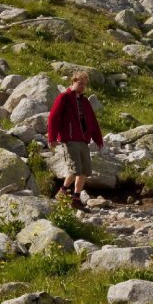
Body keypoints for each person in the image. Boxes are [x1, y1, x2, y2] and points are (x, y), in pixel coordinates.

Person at [45, 71, 103, 211]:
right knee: (75, 169)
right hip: (69, 139)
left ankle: (76, 198)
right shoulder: (64, 97)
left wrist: (98, 139)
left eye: (85, 84)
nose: (83, 86)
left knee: (84, 170)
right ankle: (63, 192)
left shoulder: (84, 101)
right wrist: (52, 138)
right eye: (80, 83)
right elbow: (53, 118)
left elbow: (92, 121)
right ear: (73, 81)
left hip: (83, 140)